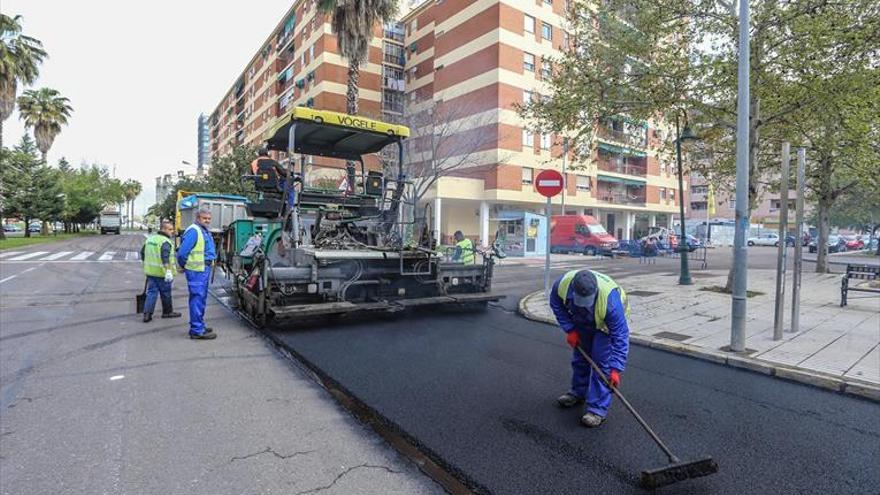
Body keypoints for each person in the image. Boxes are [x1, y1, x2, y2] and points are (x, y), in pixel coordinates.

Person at [549, 269, 630, 427]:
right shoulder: (562, 285)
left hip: (604, 326)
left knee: (601, 364)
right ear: (573, 288)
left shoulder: (611, 303)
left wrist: (615, 369)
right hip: (581, 320)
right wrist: (570, 329)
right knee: (581, 358)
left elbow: (620, 336)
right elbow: (556, 305)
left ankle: (597, 409)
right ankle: (578, 393)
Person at [177, 207, 217, 340]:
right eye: (204, 218)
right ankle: (196, 330)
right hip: (197, 270)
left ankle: (199, 324)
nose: (207, 221)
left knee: (201, 299)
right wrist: (185, 266)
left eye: (209, 219)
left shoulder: (203, 230)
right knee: (197, 298)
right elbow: (182, 253)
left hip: (202, 269)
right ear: (198, 218)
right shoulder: (194, 231)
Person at [140, 220, 181, 322]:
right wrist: (168, 271)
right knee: (166, 293)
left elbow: (142, 253)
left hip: (150, 272)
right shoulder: (165, 242)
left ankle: (147, 314)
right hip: (162, 273)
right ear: (163, 229)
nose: (172, 232)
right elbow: (165, 257)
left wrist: (148, 263)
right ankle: (167, 312)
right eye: (170, 229)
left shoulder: (150, 239)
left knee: (151, 292)